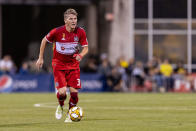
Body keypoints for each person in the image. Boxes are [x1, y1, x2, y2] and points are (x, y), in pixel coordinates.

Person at [36, 8, 88, 122]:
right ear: (65, 21)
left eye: (75, 18)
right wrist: (40, 58)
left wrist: (81, 55)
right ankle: (60, 105)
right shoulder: (57, 31)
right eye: (71, 19)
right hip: (59, 65)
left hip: (73, 65)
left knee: (74, 93)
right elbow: (44, 40)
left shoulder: (80, 32)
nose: (74, 21)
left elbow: (85, 48)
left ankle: (70, 113)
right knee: (63, 92)